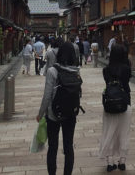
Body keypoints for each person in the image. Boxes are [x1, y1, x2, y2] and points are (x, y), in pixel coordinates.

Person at [36, 42, 80, 175]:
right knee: (68, 147)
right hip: (70, 114)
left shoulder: (52, 71)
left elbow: (47, 95)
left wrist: (40, 113)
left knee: (53, 147)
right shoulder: (76, 71)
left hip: (53, 114)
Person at [99, 44, 132, 172]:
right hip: (125, 103)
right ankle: (122, 161)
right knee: (124, 132)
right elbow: (126, 82)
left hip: (109, 104)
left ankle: (110, 162)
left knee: (109, 132)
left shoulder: (106, 70)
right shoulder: (126, 69)